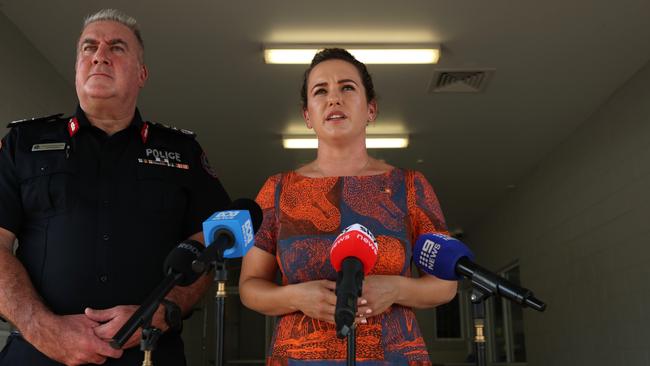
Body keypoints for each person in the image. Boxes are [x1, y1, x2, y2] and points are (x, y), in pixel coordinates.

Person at [0, 9, 230, 366]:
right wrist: (42, 328)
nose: (99, 55)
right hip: (37, 354)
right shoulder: (23, 145)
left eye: (117, 47)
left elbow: (213, 242)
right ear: (77, 67)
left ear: (142, 75)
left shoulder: (180, 152)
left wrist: (162, 311)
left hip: (150, 353)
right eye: (88, 47)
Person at [239, 48, 458, 365]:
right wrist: (296, 297)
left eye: (347, 87)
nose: (333, 99)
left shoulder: (410, 186)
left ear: (371, 109)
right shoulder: (277, 190)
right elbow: (249, 287)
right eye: (320, 91)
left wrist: (395, 289)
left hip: (392, 356)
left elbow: (445, 285)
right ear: (307, 116)